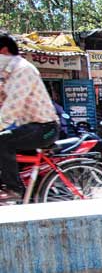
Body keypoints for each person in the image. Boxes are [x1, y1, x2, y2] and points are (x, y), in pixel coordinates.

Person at [0, 32, 59, 200]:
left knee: (3, 140)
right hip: (29, 128)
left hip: (45, 128)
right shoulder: (7, 74)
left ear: (3, 51)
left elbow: (11, 108)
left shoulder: (23, 70)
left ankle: (14, 189)